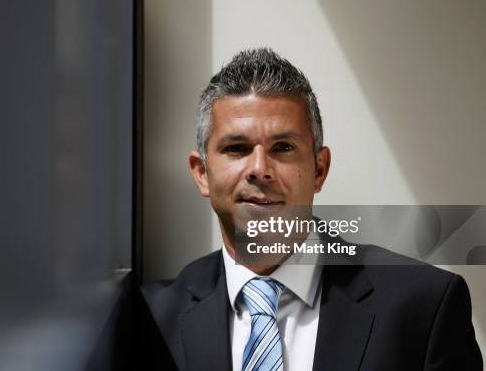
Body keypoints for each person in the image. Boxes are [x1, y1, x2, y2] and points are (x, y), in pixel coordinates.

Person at [88, 48, 482, 370]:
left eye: (283, 148)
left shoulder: (424, 306)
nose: (260, 169)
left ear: (320, 169)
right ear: (202, 173)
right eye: (236, 149)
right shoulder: (143, 320)